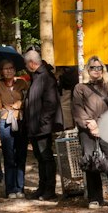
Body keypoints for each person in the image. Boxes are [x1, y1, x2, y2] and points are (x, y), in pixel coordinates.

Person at [73, 58, 108, 208]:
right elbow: (77, 108)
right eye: (93, 67)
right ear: (88, 70)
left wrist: (100, 125)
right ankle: (95, 197)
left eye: (100, 67)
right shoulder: (80, 88)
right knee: (90, 161)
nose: (96, 70)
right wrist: (89, 123)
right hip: (87, 130)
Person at [24, 50, 62, 201]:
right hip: (34, 125)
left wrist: (43, 121)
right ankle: (42, 187)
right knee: (40, 158)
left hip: (42, 126)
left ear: (32, 63)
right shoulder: (36, 77)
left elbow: (51, 102)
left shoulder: (46, 77)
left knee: (46, 158)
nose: (26, 67)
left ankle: (49, 190)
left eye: (27, 64)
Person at [0, 59, 26, 198]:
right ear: (1, 71)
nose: (8, 71)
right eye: (5, 69)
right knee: (9, 156)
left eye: (11, 68)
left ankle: (20, 187)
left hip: (20, 120)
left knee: (21, 155)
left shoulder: (22, 83)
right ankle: (10, 189)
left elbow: (28, 99)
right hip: (6, 121)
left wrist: (19, 103)